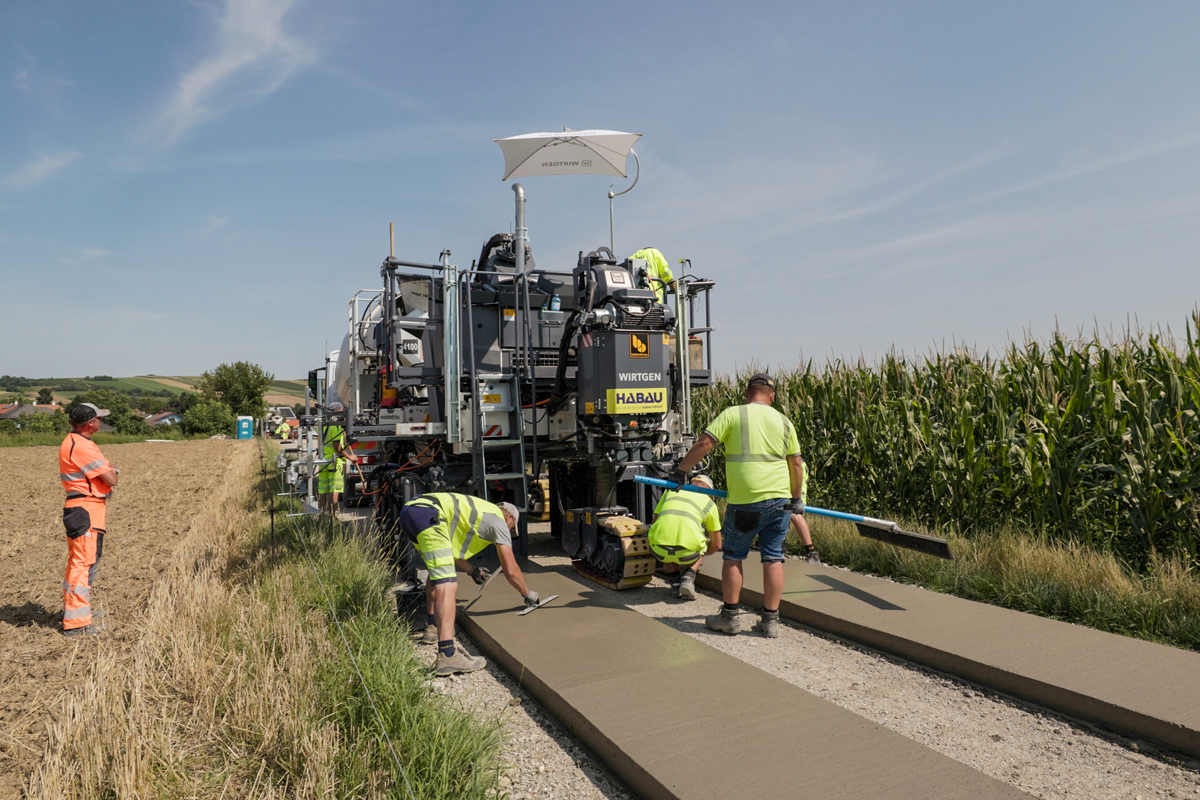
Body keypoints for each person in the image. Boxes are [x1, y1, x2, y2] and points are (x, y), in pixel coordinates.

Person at [671, 372, 804, 638]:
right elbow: (796, 463)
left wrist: (681, 471)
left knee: (733, 556)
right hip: (780, 501)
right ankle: (770, 622)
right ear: (772, 396)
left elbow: (704, 443)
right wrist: (797, 498)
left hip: (746, 502)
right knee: (773, 557)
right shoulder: (784, 420)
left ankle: (730, 618)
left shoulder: (734, 414)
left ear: (746, 393)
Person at [400, 494, 539, 676]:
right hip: (428, 513)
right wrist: (527, 594)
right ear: (509, 518)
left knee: (437, 572)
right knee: (447, 583)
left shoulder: (477, 513)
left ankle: (433, 628)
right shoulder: (498, 520)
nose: (509, 533)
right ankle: (448, 655)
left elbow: (449, 554)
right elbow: (510, 569)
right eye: (511, 529)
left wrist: (472, 570)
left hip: (412, 512)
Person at [58, 403, 119, 637]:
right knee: (82, 564)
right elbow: (111, 477)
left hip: (86, 508)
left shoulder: (78, 442)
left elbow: (108, 473)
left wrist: (109, 471)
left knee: (83, 562)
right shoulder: (82, 446)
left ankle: (79, 610)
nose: (101, 422)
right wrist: (111, 471)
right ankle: (77, 623)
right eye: (98, 419)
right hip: (85, 509)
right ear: (90, 423)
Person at [648, 474, 722, 600]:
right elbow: (717, 544)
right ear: (709, 491)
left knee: (667, 535)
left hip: (658, 549)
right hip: (688, 553)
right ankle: (688, 577)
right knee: (703, 543)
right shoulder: (709, 503)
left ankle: (675, 581)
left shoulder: (669, 492)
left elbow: (655, 522)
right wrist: (701, 554)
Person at [318, 402, 358, 514]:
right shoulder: (335, 426)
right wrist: (350, 457)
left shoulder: (323, 425)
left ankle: (321, 514)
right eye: (341, 411)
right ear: (336, 412)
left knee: (323, 490)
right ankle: (333, 515)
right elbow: (337, 447)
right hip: (334, 462)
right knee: (334, 489)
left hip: (324, 460)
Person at [791, 462, 820, 564]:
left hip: (794, 469)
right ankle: (780, 544)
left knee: (794, 513)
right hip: (794, 468)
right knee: (784, 510)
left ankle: (811, 551)